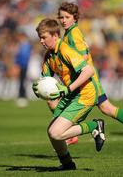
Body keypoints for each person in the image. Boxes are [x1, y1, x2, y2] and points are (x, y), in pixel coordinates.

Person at [33, 18, 106, 170]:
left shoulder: (66, 50)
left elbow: (88, 71)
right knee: (52, 133)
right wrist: (38, 88)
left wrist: (68, 89)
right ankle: (68, 164)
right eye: (39, 37)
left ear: (55, 35)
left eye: (44, 37)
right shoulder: (49, 56)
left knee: (56, 133)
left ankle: (95, 125)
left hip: (85, 94)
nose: (41, 41)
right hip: (72, 95)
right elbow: (46, 80)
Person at [57, 1, 123, 144]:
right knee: (106, 108)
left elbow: (84, 56)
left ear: (75, 17)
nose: (63, 20)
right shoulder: (68, 33)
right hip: (85, 78)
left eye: (67, 17)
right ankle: (70, 135)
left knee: (105, 108)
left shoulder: (74, 33)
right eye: (61, 17)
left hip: (87, 80)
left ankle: (72, 134)